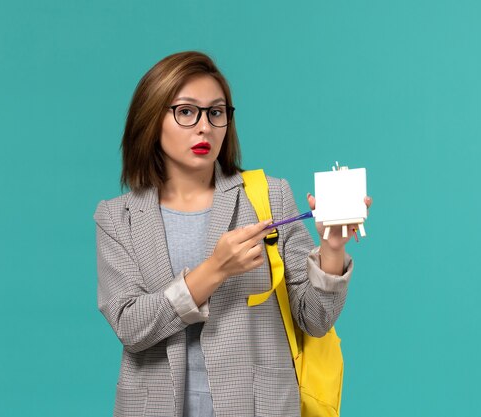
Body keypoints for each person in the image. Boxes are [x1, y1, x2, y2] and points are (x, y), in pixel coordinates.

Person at [94, 51, 372, 417]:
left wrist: (332, 248)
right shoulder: (117, 217)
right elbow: (131, 326)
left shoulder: (270, 196)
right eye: (187, 111)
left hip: (258, 406)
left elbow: (315, 319)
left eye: (216, 112)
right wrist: (215, 270)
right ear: (151, 118)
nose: (205, 127)